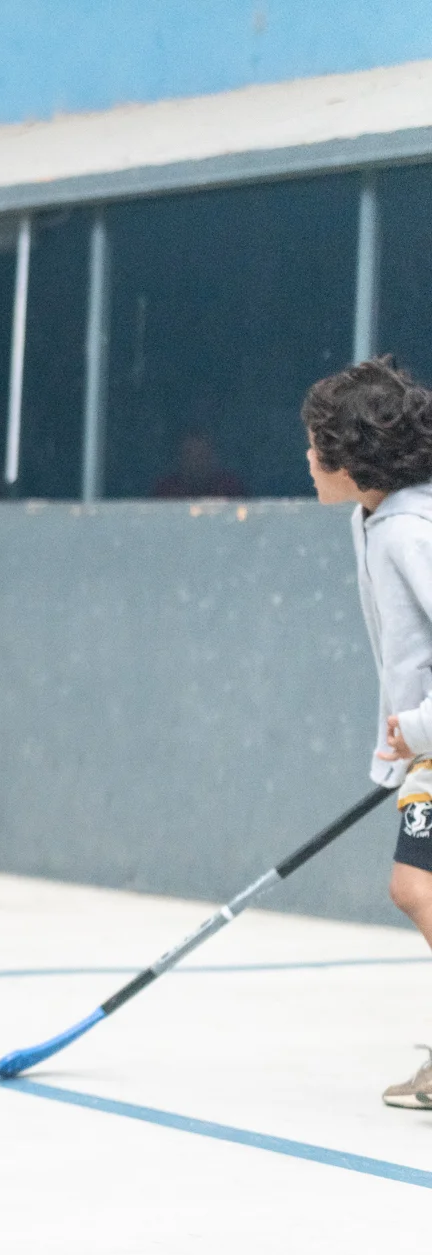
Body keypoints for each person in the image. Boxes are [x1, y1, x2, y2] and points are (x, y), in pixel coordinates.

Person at [302, 355, 432, 1109]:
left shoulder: (410, 532)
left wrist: (416, 728)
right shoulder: (378, 519)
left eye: (318, 443)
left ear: (353, 457)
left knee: (417, 887)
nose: (308, 457)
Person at [150, 429, 247, 499]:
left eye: (201, 455)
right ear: (180, 458)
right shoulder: (167, 491)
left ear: (213, 457)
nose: (196, 463)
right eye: (190, 455)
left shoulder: (229, 489)